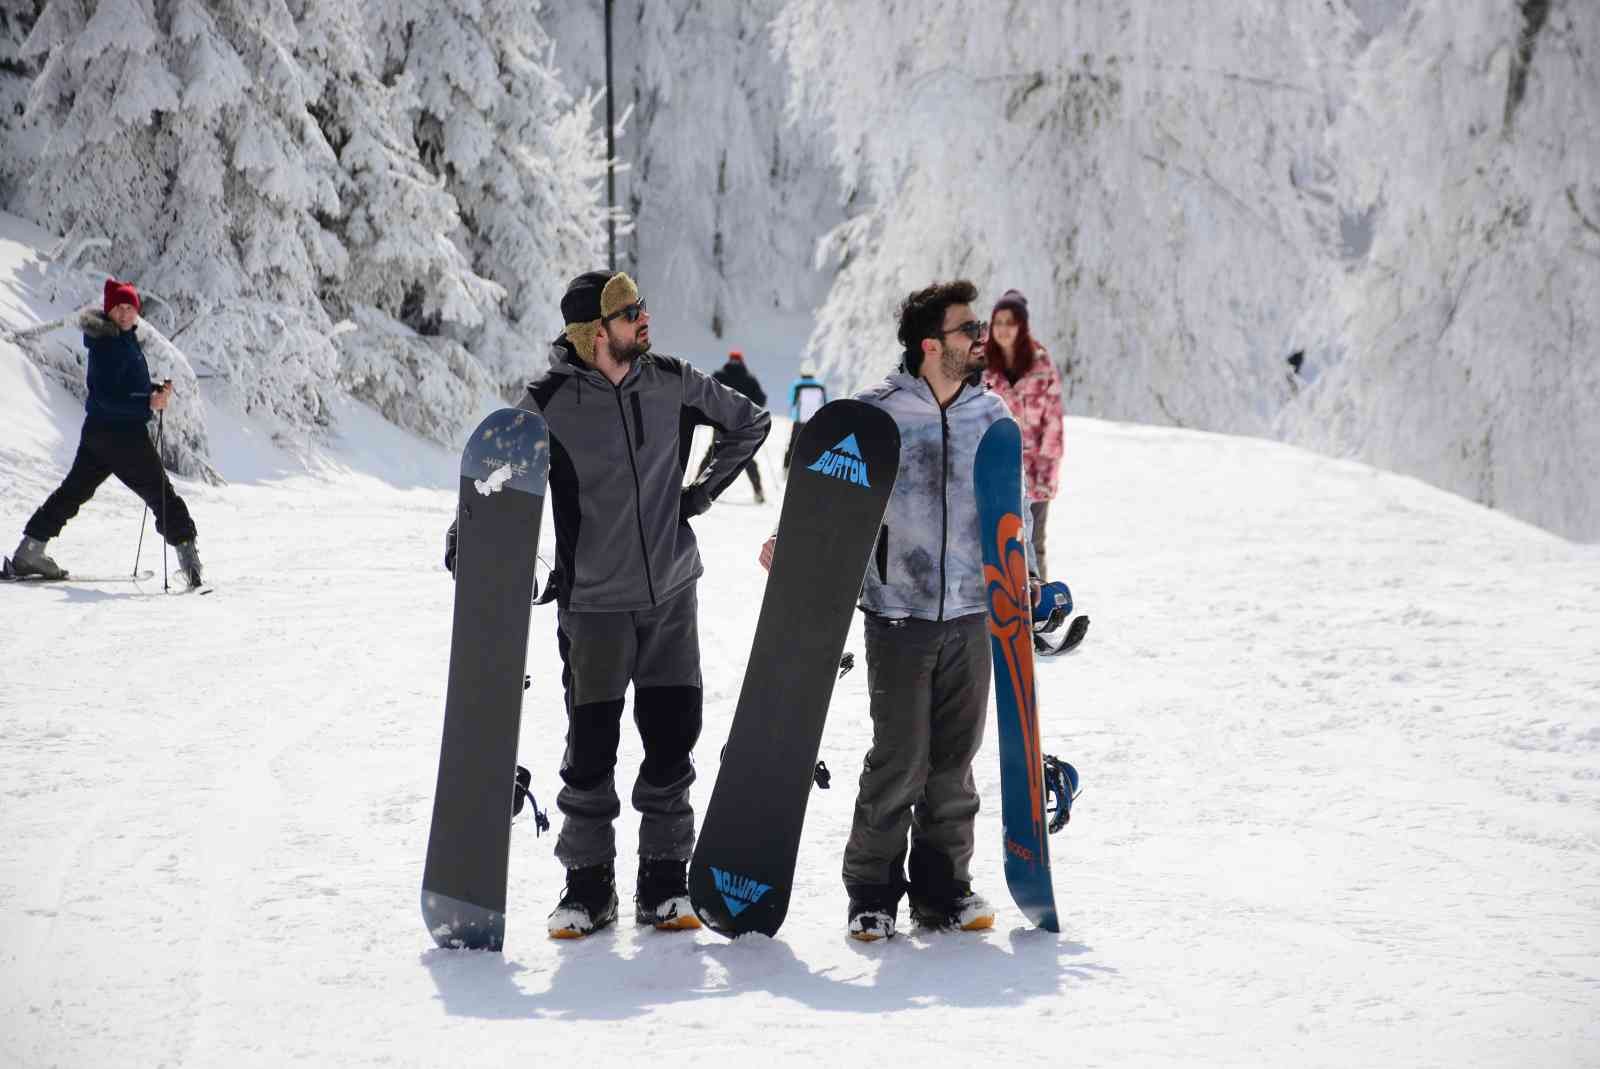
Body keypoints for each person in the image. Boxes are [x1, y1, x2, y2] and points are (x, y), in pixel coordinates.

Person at [447, 271, 770, 938]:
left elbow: (750, 423)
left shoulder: (673, 379)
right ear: (594, 332)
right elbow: (494, 470)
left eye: (642, 307)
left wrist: (700, 493)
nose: (643, 319)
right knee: (590, 749)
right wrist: (469, 537)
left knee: (672, 738)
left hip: (671, 597)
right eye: (628, 314)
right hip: (592, 604)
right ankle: (587, 887)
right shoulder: (550, 401)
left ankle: (664, 881)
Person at [758, 279, 1033, 941]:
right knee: (899, 759)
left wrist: (1022, 584)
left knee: (953, 764)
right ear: (929, 343)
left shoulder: (990, 419)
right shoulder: (876, 414)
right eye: (968, 328)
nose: (980, 337)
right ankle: (872, 893)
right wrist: (793, 546)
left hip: (972, 612)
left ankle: (944, 890)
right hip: (897, 615)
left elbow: (1007, 518)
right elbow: (831, 493)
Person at [10, 279, 202, 587]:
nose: (125, 314)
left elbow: (121, 388)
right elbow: (105, 396)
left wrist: (151, 391)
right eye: (118, 307)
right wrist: (149, 402)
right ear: (108, 309)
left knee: (72, 492)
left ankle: (29, 551)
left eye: (130, 307)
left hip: (98, 434)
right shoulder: (108, 343)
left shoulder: (119, 338)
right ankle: (189, 563)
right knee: (162, 495)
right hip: (122, 435)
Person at [981, 289, 1063, 580]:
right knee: (997, 541)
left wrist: (1043, 472)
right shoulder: (982, 364)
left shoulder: (1040, 362)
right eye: (998, 322)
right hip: (996, 470)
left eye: (1010, 322)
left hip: (1036, 472)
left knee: (1033, 542)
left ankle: (1038, 608)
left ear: (1022, 326)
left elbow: (1053, 420)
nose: (1003, 329)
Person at [695, 349, 768, 503]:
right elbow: (761, 399)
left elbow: (706, 394)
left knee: (713, 453)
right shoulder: (749, 379)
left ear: (729, 361)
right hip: (742, 424)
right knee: (746, 456)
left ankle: (695, 485)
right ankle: (758, 491)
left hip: (721, 422)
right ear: (742, 361)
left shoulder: (719, 376)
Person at [783, 364, 828, 473]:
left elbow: (791, 402)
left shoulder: (797, 385)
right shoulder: (821, 387)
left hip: (799, 422)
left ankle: (787, 469)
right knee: (815, 445)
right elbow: (825, 403)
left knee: (793, 444)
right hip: (815, 422)